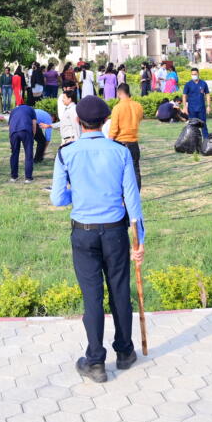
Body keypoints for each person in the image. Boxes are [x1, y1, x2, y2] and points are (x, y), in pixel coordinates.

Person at [50, 96, 144, 384]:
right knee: (120, 290)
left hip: (84, 232)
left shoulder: (66, 152)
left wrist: (76, 192)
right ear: (105, 121)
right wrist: (139, 240)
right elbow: (132, 199)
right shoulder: (120, 151)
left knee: (92, 297)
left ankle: (95, 362)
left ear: (78, 121)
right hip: (115, 231)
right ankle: (125, 352)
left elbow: (57, 198)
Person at [108, 83, 143, 187]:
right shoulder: (138, 106)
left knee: (119, 172)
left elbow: (114, 128)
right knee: (135, 170)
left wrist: (109, 142)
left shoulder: (117, 108)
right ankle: (136, 193)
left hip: (120, 143)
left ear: (119, 93)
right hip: (134, 142)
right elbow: (140, 119)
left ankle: (122, 193)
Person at [8, 101, 39, 182]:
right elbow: (34, 123)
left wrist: (10, 138)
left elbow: (10, 125)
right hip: (25, 130)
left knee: (14, 153)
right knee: (28, 154)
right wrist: (33, 135)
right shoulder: (31, 109)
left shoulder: (14, 110)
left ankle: (13, 177)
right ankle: (28, 178)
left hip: (13, 132)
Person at [181, 68, 211, 140]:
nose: (193, 75)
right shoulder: (188, 84)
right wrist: (184, 107)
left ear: (198, 74)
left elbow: (207, 94)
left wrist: (208, 106)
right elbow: (184, 96)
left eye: (195, 74)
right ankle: (194, 141)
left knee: (203, 125)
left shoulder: (203, 83)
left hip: (201, 108)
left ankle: (206, 140)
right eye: (192, 74)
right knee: (192, 126)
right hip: (192, 109)